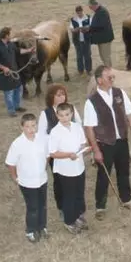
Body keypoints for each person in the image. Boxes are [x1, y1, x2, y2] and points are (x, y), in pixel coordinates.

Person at [83, 65, 131, 219]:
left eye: (113, 77)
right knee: (104, 175)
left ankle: (127, 199)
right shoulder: (91, 102)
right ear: (99, 80)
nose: (112, 80)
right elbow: (89, 128)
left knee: (124, 171)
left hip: (121, 140)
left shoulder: (119, 93)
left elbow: (130, 116)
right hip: (105, 144)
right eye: (109, 77)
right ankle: (100, 206)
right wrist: (96, 150)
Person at [39, 84, 83, 221]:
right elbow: (42, 135)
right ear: (51, 97)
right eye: (58, 95)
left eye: (63, 94)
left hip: (75, 154)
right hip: (57, 153)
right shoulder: (45, 114)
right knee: (60, 182)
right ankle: (62, 207)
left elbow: (79, 125)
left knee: (76, 183)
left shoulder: (72, 109)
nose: (61, 97)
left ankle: (76, 209)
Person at [5, 113, 49, 243]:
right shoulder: (17, 144)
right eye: (27, 126)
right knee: (33, 207)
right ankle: (31, 230)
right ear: (22, 128)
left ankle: (42, 226)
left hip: (42, 179)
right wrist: (15, 177)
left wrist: (43, 168)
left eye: (33, 126)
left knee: (43, 205)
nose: (31, 129)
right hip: (27, 182)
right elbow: (10, 163)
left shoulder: (42, 139)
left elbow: (47, 155)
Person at [48, 103, 91, 234]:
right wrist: (68, 155)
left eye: (67, 114)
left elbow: (83, 143)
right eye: (61, 115)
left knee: (79, 193)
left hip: (79, 167)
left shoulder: (77, 127)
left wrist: (85, 149)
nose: (65, 118)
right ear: (57, 116)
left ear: (72, 114)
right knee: (69, 196)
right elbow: (53, 153)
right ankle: (69, 221)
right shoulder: (55, 132)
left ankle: (78, 216)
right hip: (65, 170)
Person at [0, 27, 34, 117]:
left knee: (19, 89)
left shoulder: (11, 44)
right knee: (9, 93)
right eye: (10, 34)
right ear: (6, 35)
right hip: (4, 74)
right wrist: (3, 68)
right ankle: (11, 110)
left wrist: (29, 50)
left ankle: (17, 106)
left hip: (14, 72)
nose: (12, 35)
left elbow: (18, 51)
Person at [87, 0, 114, 67]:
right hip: (102, 39)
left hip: (105, 39)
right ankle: (108, 71)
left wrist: (89, 28)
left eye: (90, 7)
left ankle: (109, 72)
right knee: (103, 56)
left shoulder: (102, 12)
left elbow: (101, 25)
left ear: (94, 5)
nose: (90, 8)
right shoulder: (99, 11)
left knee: (105, 57)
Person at [68, 5, 92, 76]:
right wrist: (77, 29)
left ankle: (88, 70)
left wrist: (86, 28)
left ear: (82, 11)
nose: (79, 14)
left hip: (87, 39)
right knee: (79, 56)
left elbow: (91, 27)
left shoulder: (88, 17)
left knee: (87, 55)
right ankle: (80, 70)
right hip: (77, 41)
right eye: (78, 12)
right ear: (76, 12)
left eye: (80, 12)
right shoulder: (73, 19)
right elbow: (71, 29)